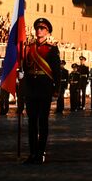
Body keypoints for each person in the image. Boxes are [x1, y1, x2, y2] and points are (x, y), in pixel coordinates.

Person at [22, 18, 61, 164]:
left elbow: (57, 71)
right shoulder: (28, 47)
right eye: (37, 28)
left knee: (42, 121)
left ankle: (41, 153)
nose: (39, 30)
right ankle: (32, 153)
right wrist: (22, 74)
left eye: (42, 28)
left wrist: (56, 89)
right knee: (32, 122)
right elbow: (26, 66)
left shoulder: (52, 48)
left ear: (48, 32)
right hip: (31, 88)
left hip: (45, 88)